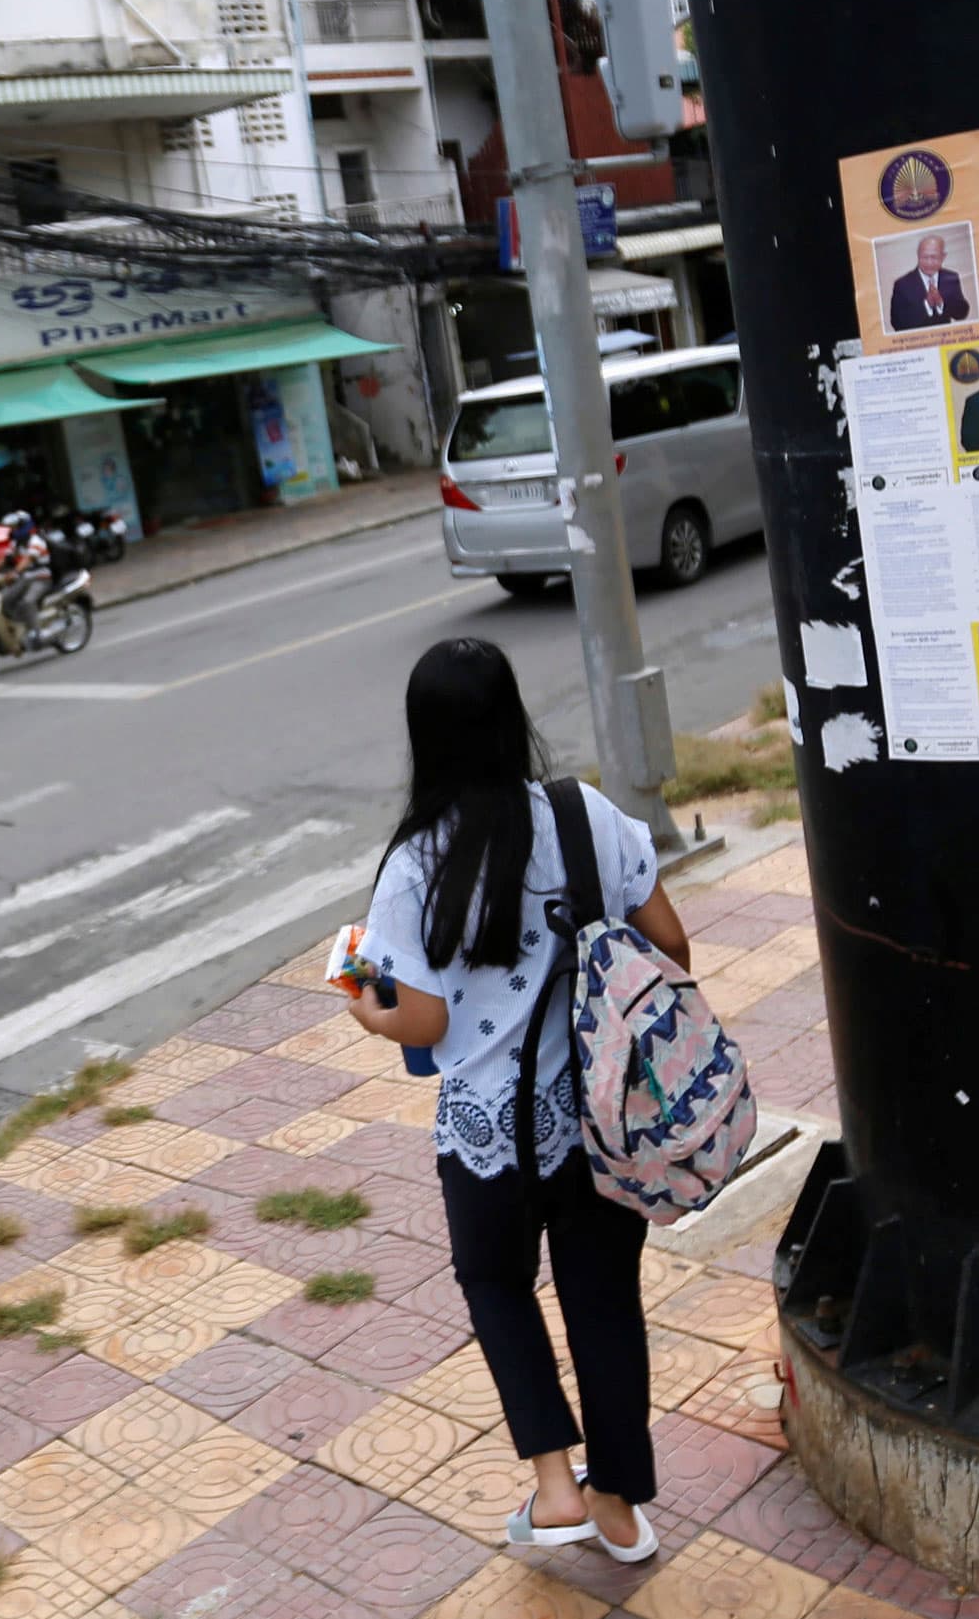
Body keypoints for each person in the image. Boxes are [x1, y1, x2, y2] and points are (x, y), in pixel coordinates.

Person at [343, 638, 681, 1565]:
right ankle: (617, 1508)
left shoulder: (415, 864)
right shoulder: (586, 818)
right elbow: (671, 947)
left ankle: (553, 1482)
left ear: (426, 738)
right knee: (605, 1300)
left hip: (489, 1130)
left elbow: (420, 1017)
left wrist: (370, 1010)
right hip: (602, 1117)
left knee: (495, 1281)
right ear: (513, 717)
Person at [886, 232, 975, 331]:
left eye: (934, 257)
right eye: (924, 257)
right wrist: (926, 305)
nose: (929, 263)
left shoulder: (951, 278)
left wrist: (941, 303)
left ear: (943, 257)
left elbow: (961, 314)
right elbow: (897, 323)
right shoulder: (902, 284)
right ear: (918, 256)